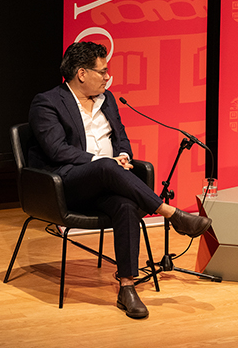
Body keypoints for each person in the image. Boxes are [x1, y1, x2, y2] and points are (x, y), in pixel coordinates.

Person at [28, 41, 212, 318]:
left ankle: (127, 287)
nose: (107, 77)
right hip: (66, 185)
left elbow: (121, 137)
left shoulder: (108, 99)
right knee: (104, 166)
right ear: (81, 73)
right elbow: (56, 150)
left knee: (125, 206)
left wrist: (123, 155)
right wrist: (101, 162)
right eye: (102, 72)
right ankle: (171, 214)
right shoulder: (48, 102)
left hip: (108, 180)